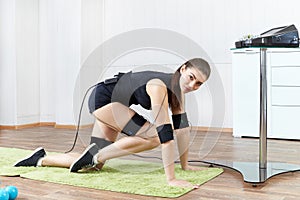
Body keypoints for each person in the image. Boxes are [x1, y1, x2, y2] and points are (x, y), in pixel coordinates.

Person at [14, 58, 211, 188]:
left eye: (199, 84)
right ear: (183, 69)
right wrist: (172, 179)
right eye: (191, 78)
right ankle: (96, 155)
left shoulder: (178, 94)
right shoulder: (159, 86)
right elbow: (166, 137)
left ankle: (41, 158)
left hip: (114, 104)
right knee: (154, 136)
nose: (192, 85)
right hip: (104, 100)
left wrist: (185, 166)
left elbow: (182, 131)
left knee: (94, 165)